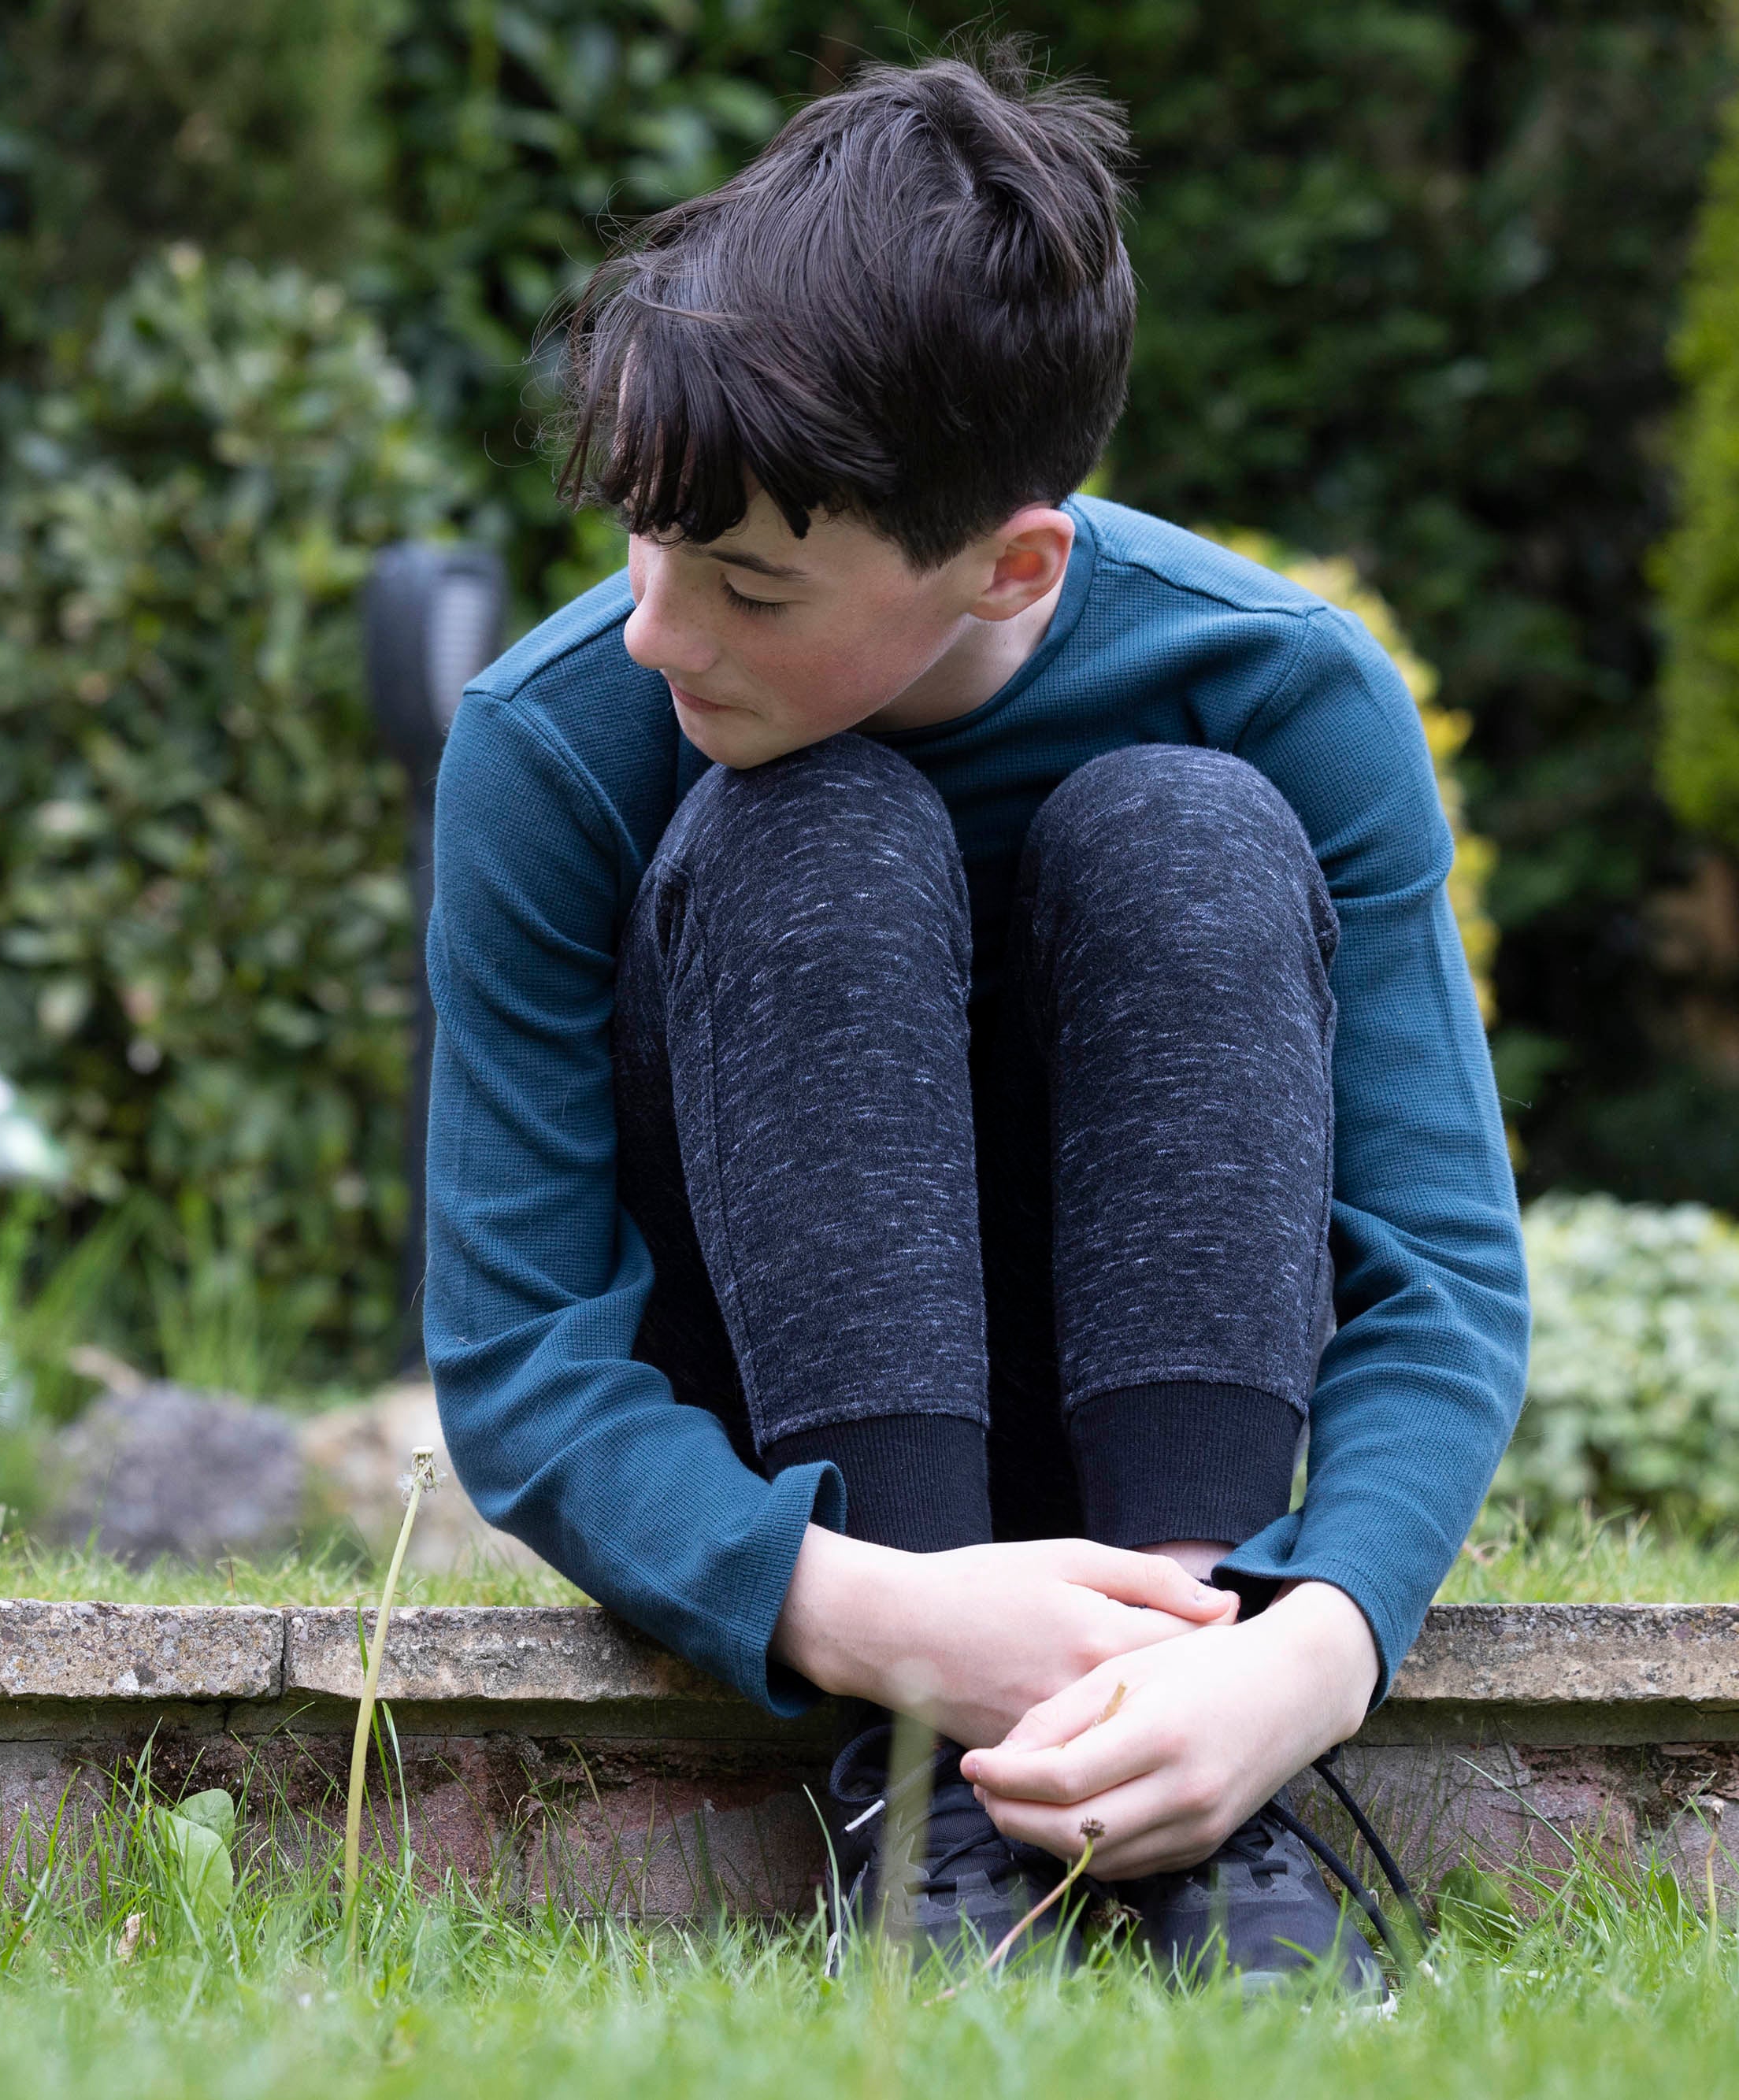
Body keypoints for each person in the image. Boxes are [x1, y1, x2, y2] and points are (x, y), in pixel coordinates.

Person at [420, 48, 1527, 1987]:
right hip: (819, 1491)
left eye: (750, 584)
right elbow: (516, 1347)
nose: (659, 628)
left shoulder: (1281, 689)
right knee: (807, 825)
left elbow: (1435, 1270)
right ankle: (917, 1788)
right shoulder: (550, 741)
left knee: (1180, 823)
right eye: (645, 541)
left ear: (1008, 561)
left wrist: (1300, 1654)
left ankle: (1195, 1771)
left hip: (1191, 1525)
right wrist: (864, 1613)